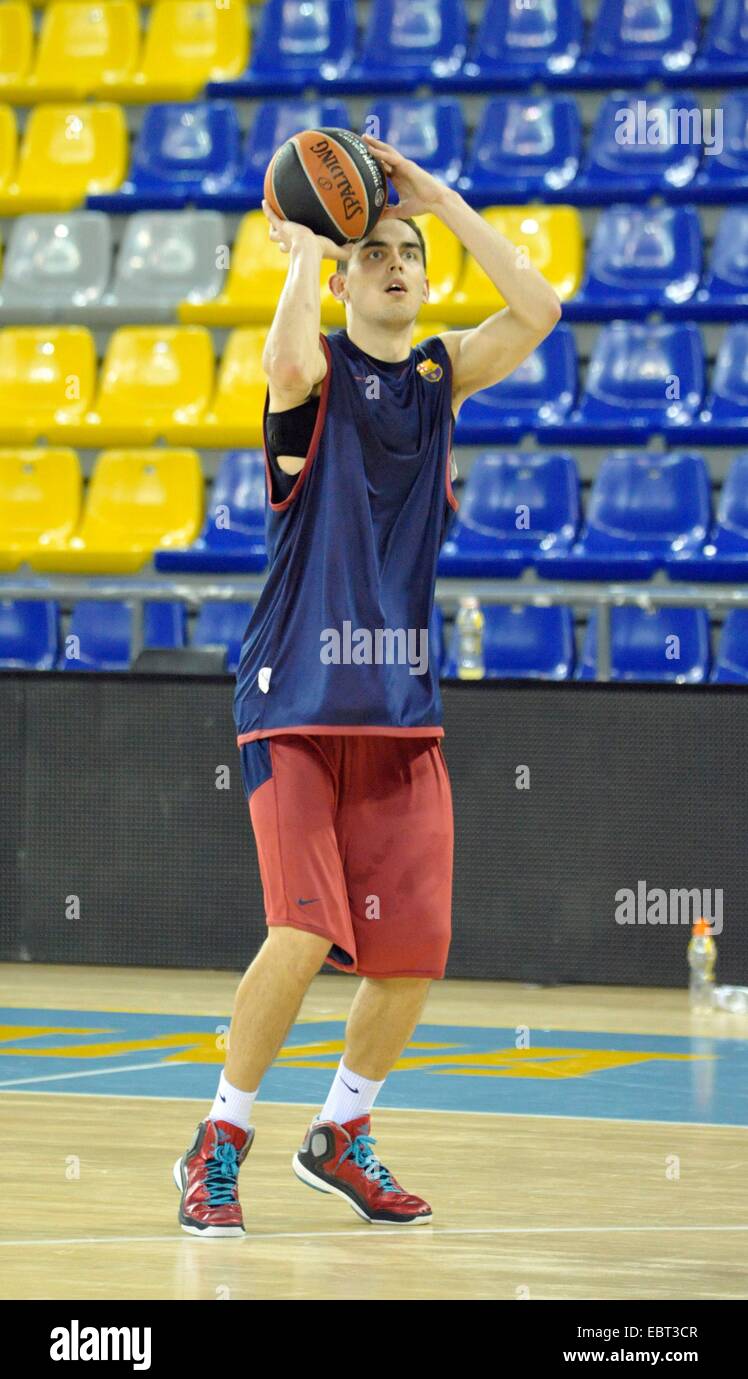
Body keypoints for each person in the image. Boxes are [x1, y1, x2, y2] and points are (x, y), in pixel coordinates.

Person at [173, 133, 562, 1236]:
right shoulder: (315, 377)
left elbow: (536, 311)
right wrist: (310, 247)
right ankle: (221, 1138)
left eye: (410, 254)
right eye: (375, 252)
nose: (398, 263)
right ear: (343, 275)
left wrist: (440, 197)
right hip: (293, 699)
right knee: (300, 931)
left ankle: (341, 1132)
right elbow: (285, 366)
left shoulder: (436, 378)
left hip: (397, 711)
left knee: (408, 953)